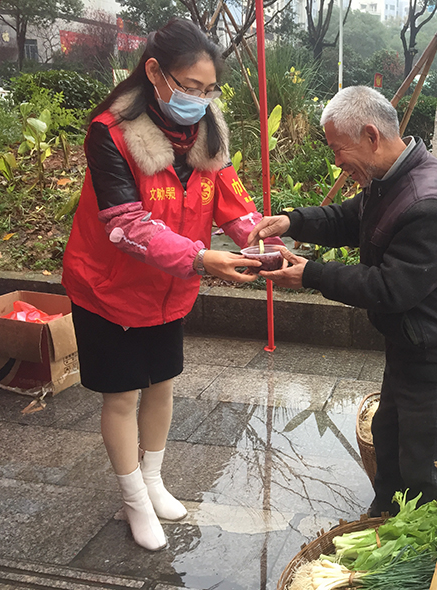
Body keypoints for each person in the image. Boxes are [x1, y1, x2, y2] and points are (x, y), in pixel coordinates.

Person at [62, 18, 277, 551]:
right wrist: (203, 259)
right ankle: (133, 499)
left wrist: (264, 242)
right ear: (155, 72)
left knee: (161, 384)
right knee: (121, 396)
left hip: (169, 287)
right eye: (190, 87)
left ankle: (154, 481)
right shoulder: (110, 133)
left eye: (209, 91)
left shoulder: (207, 130)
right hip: (107, 287)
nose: (200, 101)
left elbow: (233, 203)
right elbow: (126, 225)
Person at [249, 86, 437, 516]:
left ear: (370, 136)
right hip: (413, 342)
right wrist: (292, 221)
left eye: (338, 149)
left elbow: (390, 289)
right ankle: (384, 517)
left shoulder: (429, 202)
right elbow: (349, 218)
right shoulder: (393, 179)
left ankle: (421, 553)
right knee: (390, 435)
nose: (336, 160)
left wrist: (310, 273)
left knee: (423, 463)